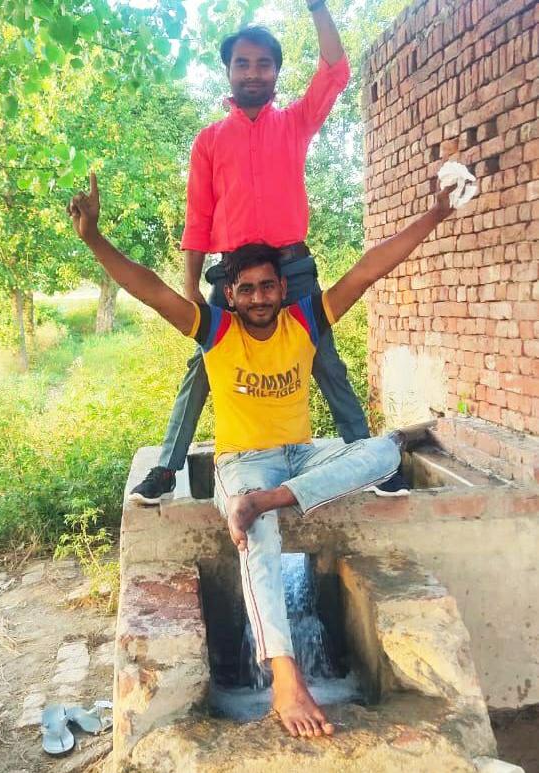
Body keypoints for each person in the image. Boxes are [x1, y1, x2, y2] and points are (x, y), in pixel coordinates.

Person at [68, 172, 457, 739]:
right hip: (243, 464)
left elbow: (369, 269)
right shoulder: (215, 329)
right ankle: (285, 677)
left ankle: (270, 500)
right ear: (231, 294)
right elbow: (149, 289)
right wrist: (93, 239)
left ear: (282, 289)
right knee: (259, 534)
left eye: (267, 287)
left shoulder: (305, 320)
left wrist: (436, 215)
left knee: (383, 452)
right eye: (247, 289)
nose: (258, 298)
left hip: (299, 459)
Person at [129, 7, 393, 504]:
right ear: (229, 71)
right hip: (234, 276)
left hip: (291, 268)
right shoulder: (209, 141)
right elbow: (198, 218)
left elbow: (335, 71)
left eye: (264, 64)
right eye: (243, 63)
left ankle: (367, 458)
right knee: (202, 367)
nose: (253, 73)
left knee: (326, 360)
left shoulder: (295, 123)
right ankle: (166, 469)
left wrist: (316, 7)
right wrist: (190, 288)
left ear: (275, 72)